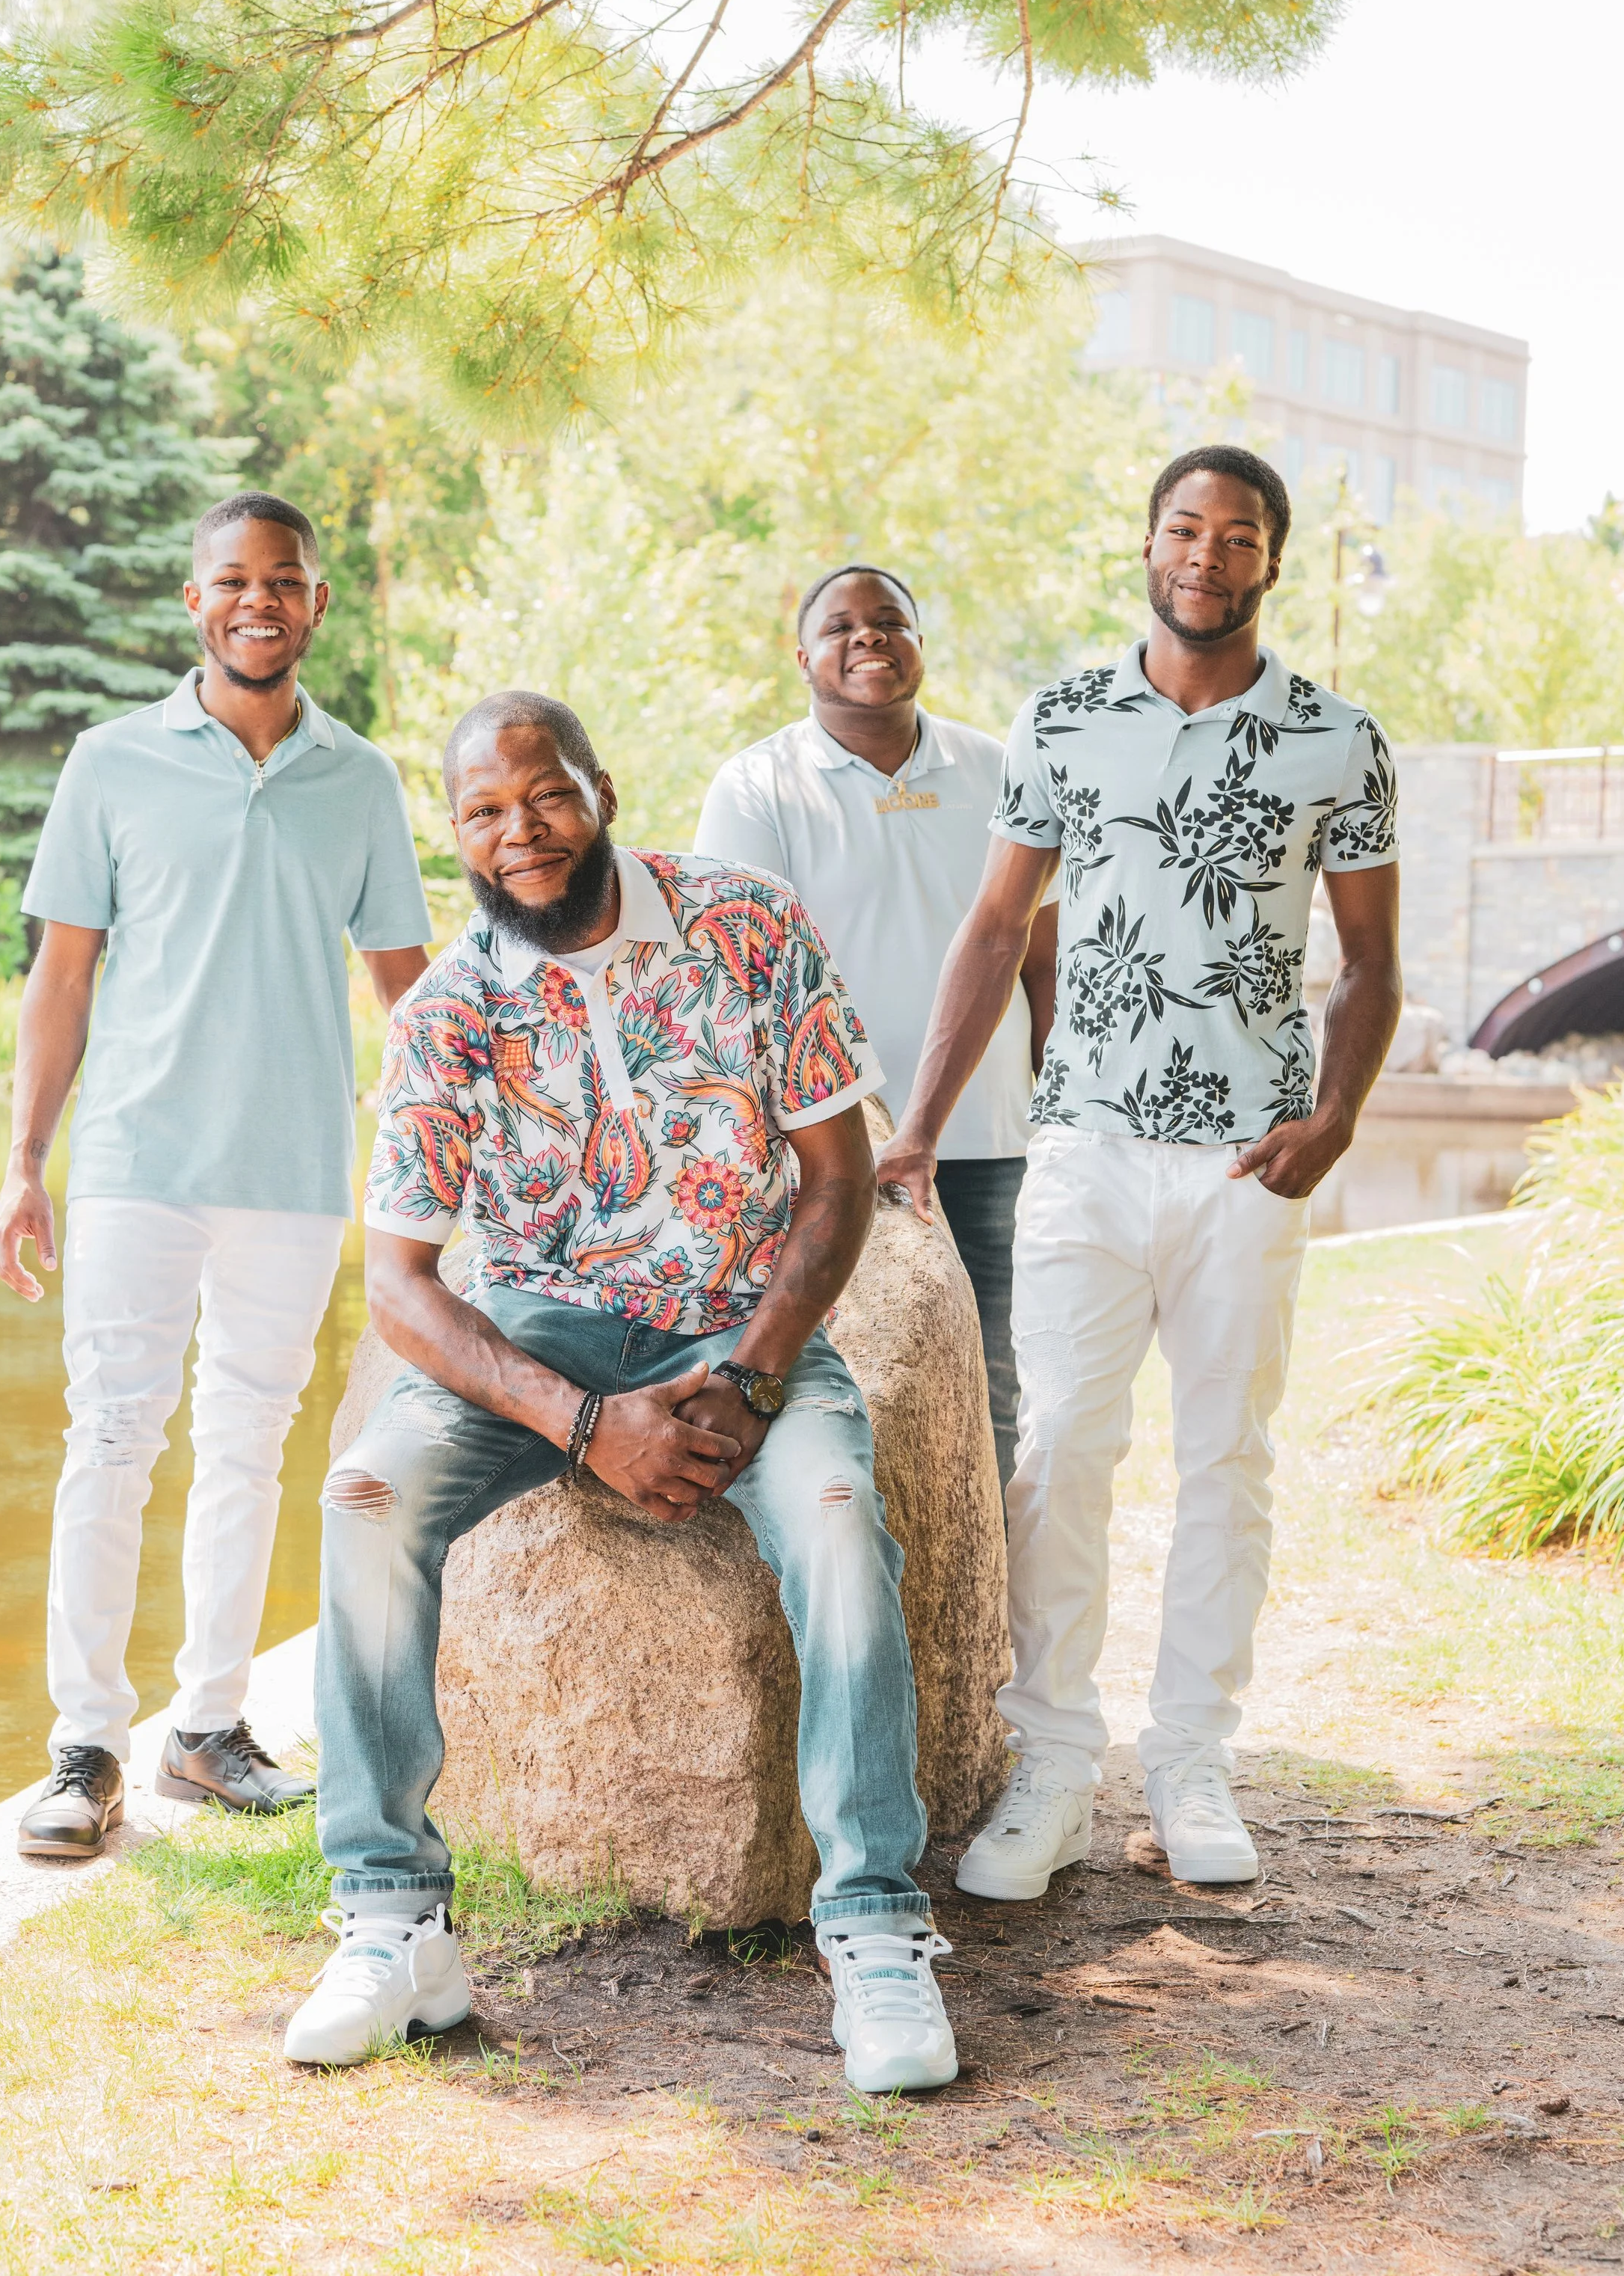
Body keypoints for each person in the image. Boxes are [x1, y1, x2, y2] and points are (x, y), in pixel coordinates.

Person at [285, 691, 958, 2094]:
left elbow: (836, 1182)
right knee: (362, 1494)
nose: (518, 833)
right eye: (482, 813)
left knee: (837, 1511)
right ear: (455, 837)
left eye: (543, 796)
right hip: (542, 1328)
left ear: (600, 786)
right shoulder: (451, 1011)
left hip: (738, 1316)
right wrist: (586, 1427)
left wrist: (758, 1374)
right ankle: (393, 1918)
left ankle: (877, 1932)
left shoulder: (746, 922)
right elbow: (404, 1286)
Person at [877, 447, 1401, 1895]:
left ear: (1270, 561)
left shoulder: (1335, 740)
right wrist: (916, 1124)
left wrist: (1336, 1114)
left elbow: (1366, 966)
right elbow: (992, 931)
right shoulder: (1061, 719)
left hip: (1249, 1160)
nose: (1205, 554)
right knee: (1057, 1448)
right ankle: (1049, 1755)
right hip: (1087, 1148)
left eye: (1237, 535)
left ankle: (1188, 1759)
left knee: (1226, 1452)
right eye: (1184, 526)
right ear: (1148, 541)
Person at [0, 491, 434, 1860]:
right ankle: (82, 1748)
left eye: (285, 581)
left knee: (250, 1448)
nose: (260, 601)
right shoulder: (110, 763)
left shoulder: (359, 778)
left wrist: (476, 1152)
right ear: (195, 601)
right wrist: (24, 1164)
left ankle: (207, 1725)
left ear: (314, 604)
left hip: (294, 1172)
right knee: (111, 1443)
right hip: (134, 1162)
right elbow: (60, 978)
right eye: (233, 580)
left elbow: (410, 995)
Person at [693, 563, 1058, 1495]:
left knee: (991, 1377)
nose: (868, 638)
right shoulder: (758, 784)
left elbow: (1041, 951)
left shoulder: (997, 767)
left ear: (920, 644)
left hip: (985, 1139)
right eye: (842, 625)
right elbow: (738, 980)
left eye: (890, 620)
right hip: (827, 1153)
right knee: (834, 1368)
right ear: (803, 654)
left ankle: (987, 1610)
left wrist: (1053, 1105)